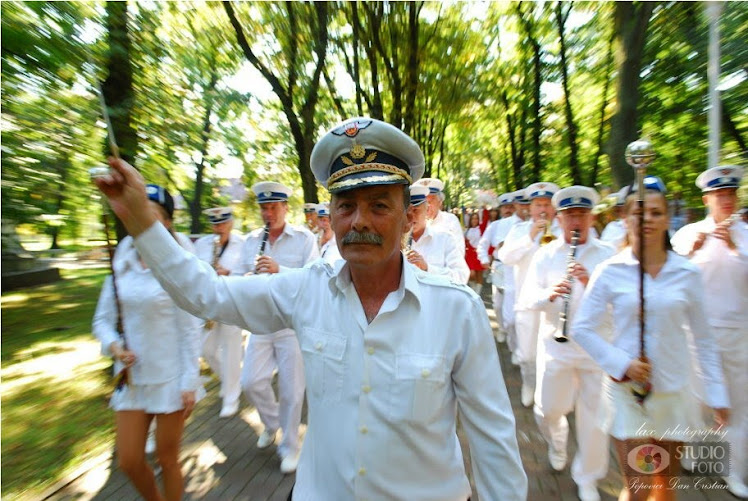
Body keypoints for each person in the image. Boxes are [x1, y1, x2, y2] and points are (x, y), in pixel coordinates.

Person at [94, 116, 527, 501]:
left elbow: (493, 441)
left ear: (406, 218)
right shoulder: (306, 292)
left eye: (378, 205)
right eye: (346, 206)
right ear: (333, 216)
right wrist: (140, 221)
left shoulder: (457, 311)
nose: (359, 221)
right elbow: (208, 294)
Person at [572, 176, 729, 501]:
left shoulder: (686, 273)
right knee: (639, 487)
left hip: (673, 394)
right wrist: (623, 363)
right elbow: (582, 328)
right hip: (630, 397)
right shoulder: (610, 270)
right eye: (639, 213)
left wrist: (717, 393)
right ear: (626, 218)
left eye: (656, 213)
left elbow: (703, 338)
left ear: (666, 218)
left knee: (665, 486)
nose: (647, 219)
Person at [92, 184, 203, 501]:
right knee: (128, 460)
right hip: (133, 381)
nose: (138, 221)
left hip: (171, 379)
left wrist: (190, 381)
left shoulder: (178, 263)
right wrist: (114, 346)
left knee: (167, 459)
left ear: (166, 222)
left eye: (148, 215)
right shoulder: (122, 260)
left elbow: (190, 327)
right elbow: (102, 320)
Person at [518, 186, 615, 501]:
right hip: (556, 346)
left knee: (596, 418)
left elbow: (622, 306)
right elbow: (527, 299)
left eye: (582, 215)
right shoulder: (546, 254)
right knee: (548, 409)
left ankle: (588, 477)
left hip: (597, 348)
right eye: (570, 214)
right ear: (559, 218)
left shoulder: (607, 254)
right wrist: (550, 294)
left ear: (591, 217)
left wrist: (590, 283)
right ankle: (557, 440)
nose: (576, 221)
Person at [670, 165, 747, 498]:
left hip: (740, 331)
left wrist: (734, 247)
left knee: (739, 405)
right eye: (719, 195)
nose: (726, 200)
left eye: (730, 193)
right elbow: (669, 277)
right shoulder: (688, 233)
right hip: (698, 333)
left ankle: (734, 471)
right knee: (697, 398)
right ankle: (691, 449)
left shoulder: (745, 234)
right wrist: (692, 251)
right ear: (707, 199)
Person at [236, 181, 319, 474]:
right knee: (250, 382)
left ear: (285, 207)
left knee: (292, 391)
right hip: (261, 323)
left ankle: (290, 447)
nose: (268, 213)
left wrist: (279, 270)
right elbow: (236, 278)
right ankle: (273, 424)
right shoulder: (250, 241)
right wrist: (247, 277)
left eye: (273, 207)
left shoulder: (304, 239)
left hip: (291, 326)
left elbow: (314, 278)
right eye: (263, 208)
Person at [498, 182, 561, 407]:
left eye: (546, 204)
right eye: (537, 205)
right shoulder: (518, 231)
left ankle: (548, 394)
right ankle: (529, 384)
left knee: (554, 354)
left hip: (556, 305)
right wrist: (530, 236)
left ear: (554, 208)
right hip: (525, 301)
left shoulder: (563, 230)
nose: (542, 209)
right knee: (526, 354)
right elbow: (505, 257)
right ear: (530, 208)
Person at [194, 207, 245, 418]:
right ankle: (232, 381)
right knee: (206, 349)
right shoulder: (202, 245)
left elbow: (248, 272)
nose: (219, 228)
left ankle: (231, 398)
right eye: (215, 224)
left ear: (230, 223)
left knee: (231, 351)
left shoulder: (242, 244)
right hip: (209, 303)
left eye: (222, 223)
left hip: (231, 302)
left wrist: (229, 272)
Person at [405, 184, 469, 284]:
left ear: (427, 210)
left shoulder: (444, 238)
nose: (411, 216)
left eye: (415, 210)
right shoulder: (395, 242)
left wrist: (428, 269)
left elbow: (461, 276)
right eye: (407, 212)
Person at [477, 192, 519, 342]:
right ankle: (502, 328)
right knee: (498, 304)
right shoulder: (495, 226)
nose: (508, 210)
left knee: (516, 304)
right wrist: (483, 258)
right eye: (505, 207)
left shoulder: (523, 225)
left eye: (510, 207)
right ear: (501, 209)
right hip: (500, 268)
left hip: (517, 269)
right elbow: (483, 244)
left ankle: (516, 336)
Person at [413, 177, 466, 255]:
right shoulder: (413, 222)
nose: (428, 205)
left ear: (440, 202)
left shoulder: (450, 221)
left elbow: (459, 251)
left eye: (431, 201)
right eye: (424, 202)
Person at [464, 212, 484, 292]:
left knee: (479, 275)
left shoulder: (481, 229)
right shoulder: (467, 230)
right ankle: (473, 290)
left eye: (476, 218)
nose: (474, 220)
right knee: (471, 274)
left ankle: (477, 294)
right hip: (470, 254)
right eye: (473, 218)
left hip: (478, 253)